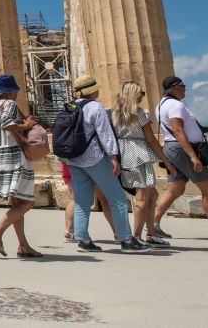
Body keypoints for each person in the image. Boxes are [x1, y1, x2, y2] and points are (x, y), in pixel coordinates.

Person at [63, 74, 147, 253]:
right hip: (94, 158)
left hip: (74, 160)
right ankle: (126, 240)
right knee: (117, 198)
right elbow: (105, 133)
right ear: (93, 90)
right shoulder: (95, 106)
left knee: (82, 201)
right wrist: (114, 157)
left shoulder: (70, 106)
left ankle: (83, 240)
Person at [0, 75, 40, 258]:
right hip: (14, 157)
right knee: (28, 202)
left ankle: (23, 246)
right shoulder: (10, 104)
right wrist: (26, 125)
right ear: (11, 91)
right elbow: (7, 125)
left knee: (18, 203)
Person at [109, 81, 175, 246]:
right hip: (139, 154)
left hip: (124, 155)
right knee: (142, 199)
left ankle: (151, 233)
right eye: (140, 93)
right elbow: (151, 140)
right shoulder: (140, 113)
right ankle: (136, 237)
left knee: (152, 195)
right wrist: (166, 160)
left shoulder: (113, 114)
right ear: (133, 94)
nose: (142, 96)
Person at [153, 76, 208, 237]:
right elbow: (178, 130)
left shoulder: (161, 104)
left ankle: (153, 225)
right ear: (176, 87)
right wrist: (193, 156)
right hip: (182, 149)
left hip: (172, 148)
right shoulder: (174, 105)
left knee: (175, 188)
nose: (186, 88)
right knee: (207, 188)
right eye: (183, 86)